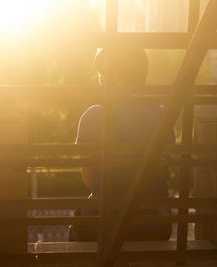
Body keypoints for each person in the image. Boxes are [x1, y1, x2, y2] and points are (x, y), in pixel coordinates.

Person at [70, 47, 175, 241]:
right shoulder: (163, 117)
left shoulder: (93, 117)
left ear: (115, 76)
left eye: (102, 73)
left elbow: (89, 180)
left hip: (103, 225)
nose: (100, 79)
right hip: (155, 225)